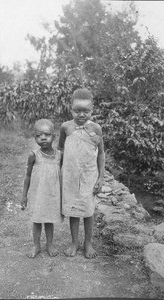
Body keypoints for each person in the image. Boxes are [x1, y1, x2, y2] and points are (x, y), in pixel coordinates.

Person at [58, 88, 105, 259]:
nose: (81, 114)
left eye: (86, 111)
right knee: (73, 209)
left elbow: (100, 154)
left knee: (87, 210)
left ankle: (88, 243)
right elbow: (61, 149)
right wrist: (58, 170)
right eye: (77, 110)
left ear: (92, 110)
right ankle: (74, 242)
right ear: (71, 109)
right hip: (70, 175)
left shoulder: (96, 129)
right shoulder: (66, 127)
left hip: (89, 176)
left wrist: (101, 177)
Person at [21, 119, 63, 258]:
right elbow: (27, 176)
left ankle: (49, 244)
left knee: (50, 220)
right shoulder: (34, 155)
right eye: (38, 135)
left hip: (52, 194)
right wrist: (24, 195)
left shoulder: (59, 156)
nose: (43, 138)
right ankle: (36, 245)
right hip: (38, 194)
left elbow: (63, 176)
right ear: (35, 138)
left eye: (47, 134)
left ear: (54, 136)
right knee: (37, 220)